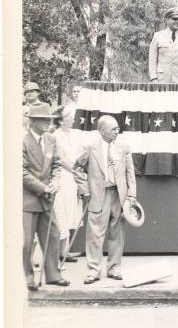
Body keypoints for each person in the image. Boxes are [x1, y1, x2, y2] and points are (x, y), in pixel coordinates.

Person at [74, 115, 138, 283]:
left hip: (119, 196)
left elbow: (130, 172)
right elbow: (77, 169)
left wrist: (131, 196)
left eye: (118, 128)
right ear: (101, 131)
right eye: (113, 129)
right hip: (97, 196)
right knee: (95, 234)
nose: (118, 131)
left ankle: (114, 268)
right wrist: (85, 190)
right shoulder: (89, 146)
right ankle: (93, 271)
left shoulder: (123, 146)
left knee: (117, 233)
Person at [23, 103, 69, 290]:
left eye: (48, 119)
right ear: (32, 121)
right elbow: (21, 171)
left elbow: (56, 165)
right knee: (25, 242)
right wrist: (43, 188)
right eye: (43, 119)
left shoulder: (50, 139)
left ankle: (53, 275)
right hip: (27, 200)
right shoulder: (23, 142)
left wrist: (56, 182)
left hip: (47, 199)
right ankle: (26, 277)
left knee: (52, 235)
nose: (47, 123)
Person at [51, 105, 83, 264]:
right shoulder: (55, 136)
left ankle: (65, 251)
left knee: (71, 210)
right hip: (63, 177)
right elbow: (60, 160)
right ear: (61, 120)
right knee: (61, 212)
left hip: (73, 177)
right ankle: (58, 251)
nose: (72, 119)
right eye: (69, 116)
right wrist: (74, 171)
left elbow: (77, 156)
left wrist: (78, 171)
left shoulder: (74, 134)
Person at [148, 7, 178, 84]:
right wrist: (153, 78)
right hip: (162, 79)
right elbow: (152, 59)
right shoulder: (158, 36)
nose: (177, 21)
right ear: (167, 20)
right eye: (174, 19)